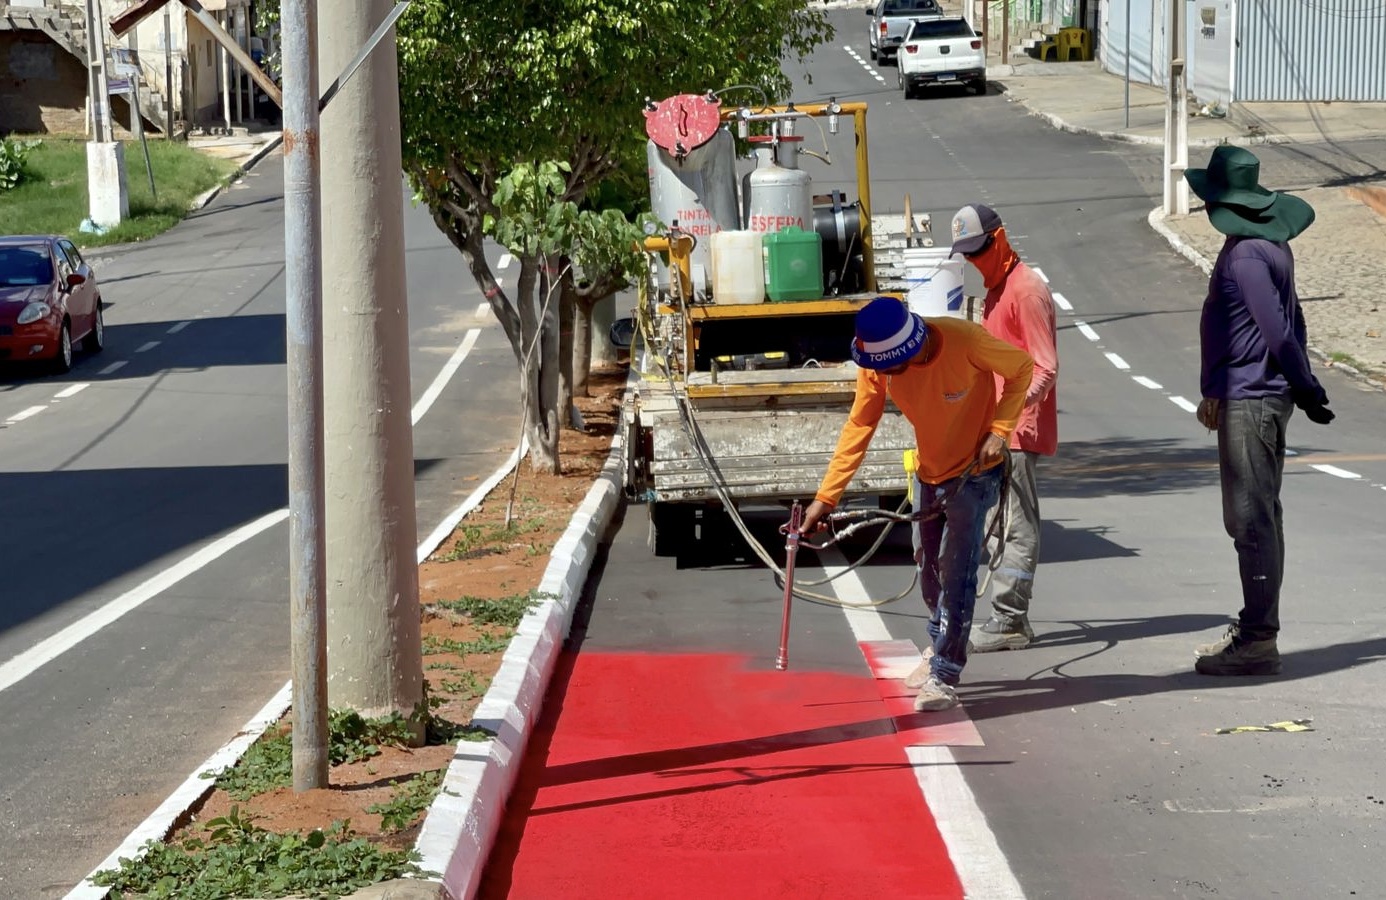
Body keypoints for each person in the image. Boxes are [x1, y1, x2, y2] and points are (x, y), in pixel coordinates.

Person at [800, 296, 1033, 711]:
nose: (884, 376)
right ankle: (939, 643)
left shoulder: (965, 341)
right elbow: (859, 426)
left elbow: (1022, 369)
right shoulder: (877, 367)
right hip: (930, 473)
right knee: (928, 569)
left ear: (912, 347)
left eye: (891, 368)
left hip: (976, 474)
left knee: (957, 571)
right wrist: (826, 496)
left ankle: (945, 673)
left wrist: (999, 429)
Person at [1185, 145, 1333, 677]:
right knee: (1261, 516)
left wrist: (1307, 386)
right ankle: (1257, 627)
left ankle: (1257, 638)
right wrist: (1215, 389)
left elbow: (1277, 331)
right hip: (1245, 394)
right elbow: (1259, 329)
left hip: (1256, 400)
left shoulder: (1247, 256)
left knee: (1250, 521)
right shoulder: (1262, 247)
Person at [950, 203, 1059, 653]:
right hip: (996, 428)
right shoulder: (996, 289)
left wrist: (1004, 420)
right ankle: (1006, 615)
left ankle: (1010, 618)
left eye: (980, 251)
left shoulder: (1025, 291)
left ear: (1000, 239)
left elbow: (1045, 368)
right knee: (996, 522)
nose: (975, 262)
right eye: (968, 255)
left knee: (1016, 522)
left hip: (1014, 429)